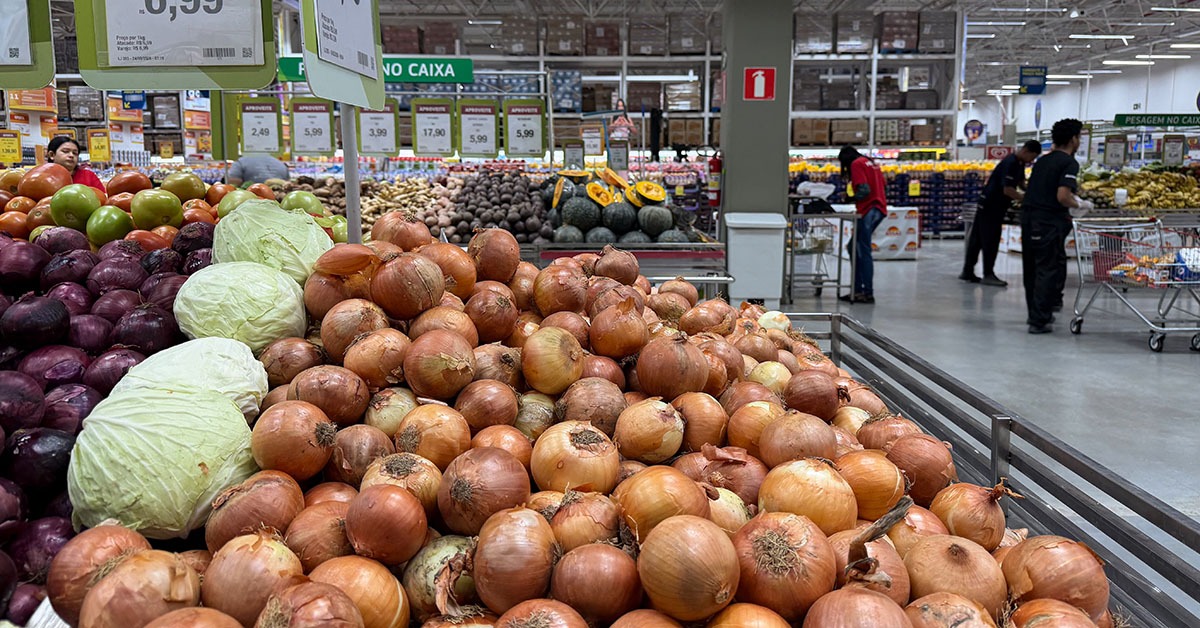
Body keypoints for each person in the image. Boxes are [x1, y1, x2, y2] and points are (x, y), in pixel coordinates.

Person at [1020, 119, 1092, 334]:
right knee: (1047, 268)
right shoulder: (1069, 163)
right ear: (1073, 139)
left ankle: (1035, 315)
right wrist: (1080, 204)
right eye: (1079, 137)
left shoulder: (1042, 161)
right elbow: (1062, 196)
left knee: (1031, 269)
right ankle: (1040, 320)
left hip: (1029, 219)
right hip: (1048, 222)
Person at [961, 140, 1042, 287]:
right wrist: (1027, 200)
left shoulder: (1019, 162)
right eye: (1033, 157)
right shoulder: (1011, 162)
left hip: (988, 204)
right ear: (1026, 151)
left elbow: (1020, 183)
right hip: (991, 206)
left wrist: (1032, 190)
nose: (1032, 161)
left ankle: (967, 271)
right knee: (990, 240)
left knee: (977, 239)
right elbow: (1008, 190)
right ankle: (988, 274)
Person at [838, 145, 888, 304]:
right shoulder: (870, 162)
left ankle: (866, 292)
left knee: (862, 250)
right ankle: (858, 290)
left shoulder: (856, 164)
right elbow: (883, 185)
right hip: (878, 209)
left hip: (869, 210)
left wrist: (848, 198)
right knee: (853, 246)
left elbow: (864, 190)